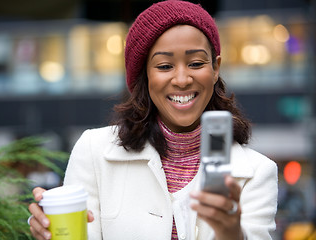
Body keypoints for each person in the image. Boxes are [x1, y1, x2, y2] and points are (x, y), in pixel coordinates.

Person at [28, 1, 278, 239]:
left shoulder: (258, 172)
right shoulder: (93, 151)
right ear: (144, 75)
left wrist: (233, 234)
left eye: (196, 63)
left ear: (215, 69)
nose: (181, 79)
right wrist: (51, 228)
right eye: (165, 66)